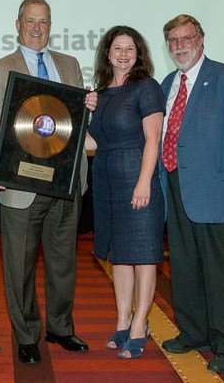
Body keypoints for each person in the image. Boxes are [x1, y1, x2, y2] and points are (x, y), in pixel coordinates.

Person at [0, 0, 97, 364]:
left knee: (63, 262)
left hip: (65, 182)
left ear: (50, 25)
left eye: (43, 21)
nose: (37, 28)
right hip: (20, 183)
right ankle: (27, 335)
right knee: (19, 265)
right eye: (30, 21)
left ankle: (61, 328)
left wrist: (89, 109)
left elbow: (72, 127)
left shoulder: (70, 64)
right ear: (17, 24)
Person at [158, 14, 224, 374]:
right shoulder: (168, 81)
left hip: (219, 194)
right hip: (176, 189)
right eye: (173, 40)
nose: (180, 45)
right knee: (185, 268)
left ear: (201, 39)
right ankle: (194, 332)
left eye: (186, 38)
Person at [84, 26, 165, 359]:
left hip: (137, 176)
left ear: (139, 53)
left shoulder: (147, 88)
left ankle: (139, 324)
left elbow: (152, 138)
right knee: (119, 254)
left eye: (130, 48)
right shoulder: (100, 94)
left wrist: (144, 181)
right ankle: (122, 320)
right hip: (105, 181)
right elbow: (93, 142)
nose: (123, 53)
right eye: (117, 48)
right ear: (107, 53)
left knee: (143, 255)